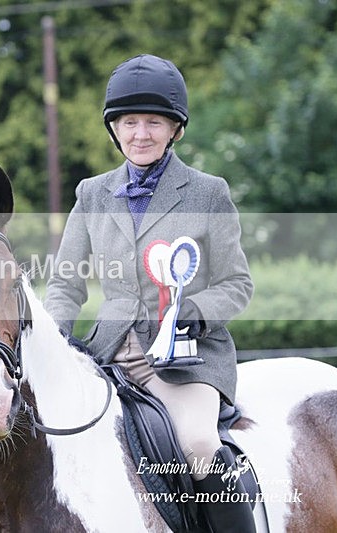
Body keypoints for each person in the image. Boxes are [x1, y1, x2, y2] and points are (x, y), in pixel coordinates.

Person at [44, 54, 255, 533]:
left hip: (187, 359)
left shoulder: (208, 193)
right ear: (114, 129)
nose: (141, 134)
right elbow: (65, 284)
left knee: (199, 444)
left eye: (153, 122)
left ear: (175, 129)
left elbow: (238, 285)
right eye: (129, 122)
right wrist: (55, 341)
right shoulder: (91, 194)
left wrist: (191, 313)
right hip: (109, 353)